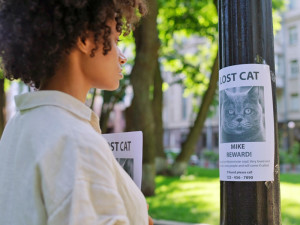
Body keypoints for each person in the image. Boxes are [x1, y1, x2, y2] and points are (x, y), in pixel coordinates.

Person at [0, 0, 153, 225]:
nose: (123, 56)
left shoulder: (17, 127)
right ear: (84, 39)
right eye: (115, 39)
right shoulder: (76, 140)